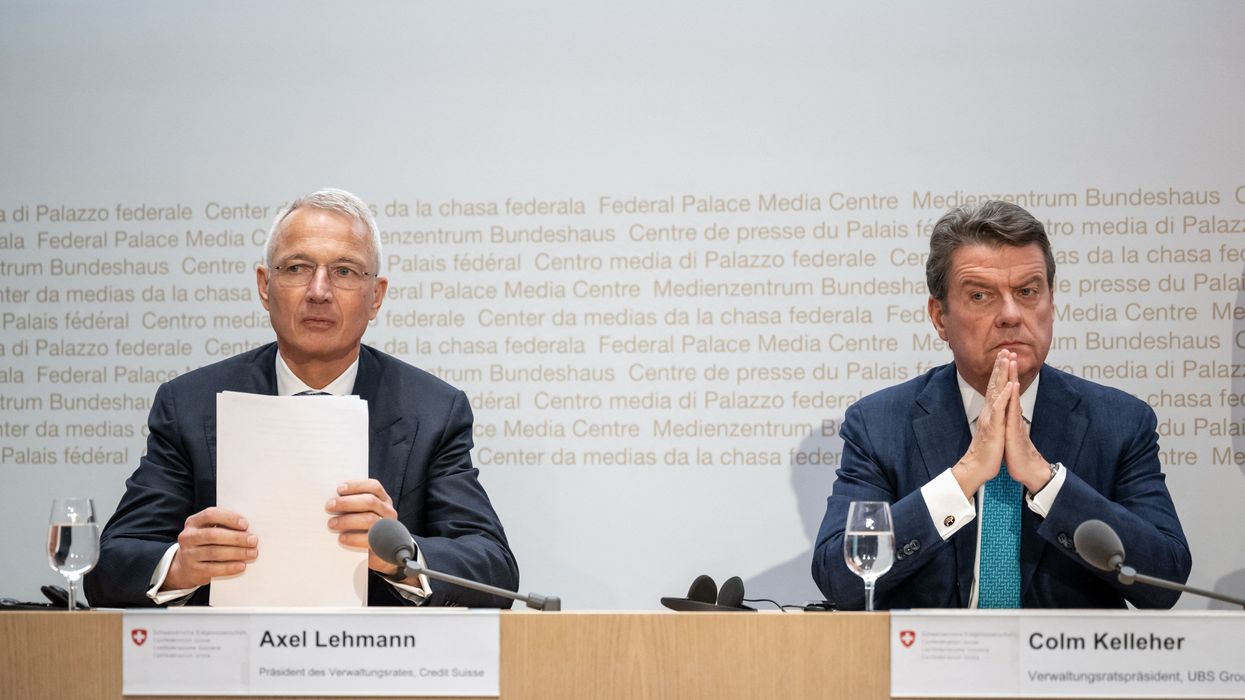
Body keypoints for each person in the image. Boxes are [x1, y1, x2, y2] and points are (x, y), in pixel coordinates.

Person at [84, 188, 518, 607]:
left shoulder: (432, 410)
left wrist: (402, 557)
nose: (319, 291)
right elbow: (110, 564)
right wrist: (180, 566)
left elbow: (493, 567)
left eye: (345, 271)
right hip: (227, 663)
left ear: (376, 296)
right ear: (264, 285)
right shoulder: (189, 404)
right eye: (296, 268)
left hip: (379, 664)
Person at [812, 200, 1191, 609]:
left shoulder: (1118, 422)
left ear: (1051, 301)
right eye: (981, 295)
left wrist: (1046, 481)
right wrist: (965, 476)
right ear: (940, 317)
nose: (1011, 314)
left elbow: (1165, 580)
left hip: (1064, 669)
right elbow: (841, 580)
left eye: (1028, 292)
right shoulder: (879, 425)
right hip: (932, 668)